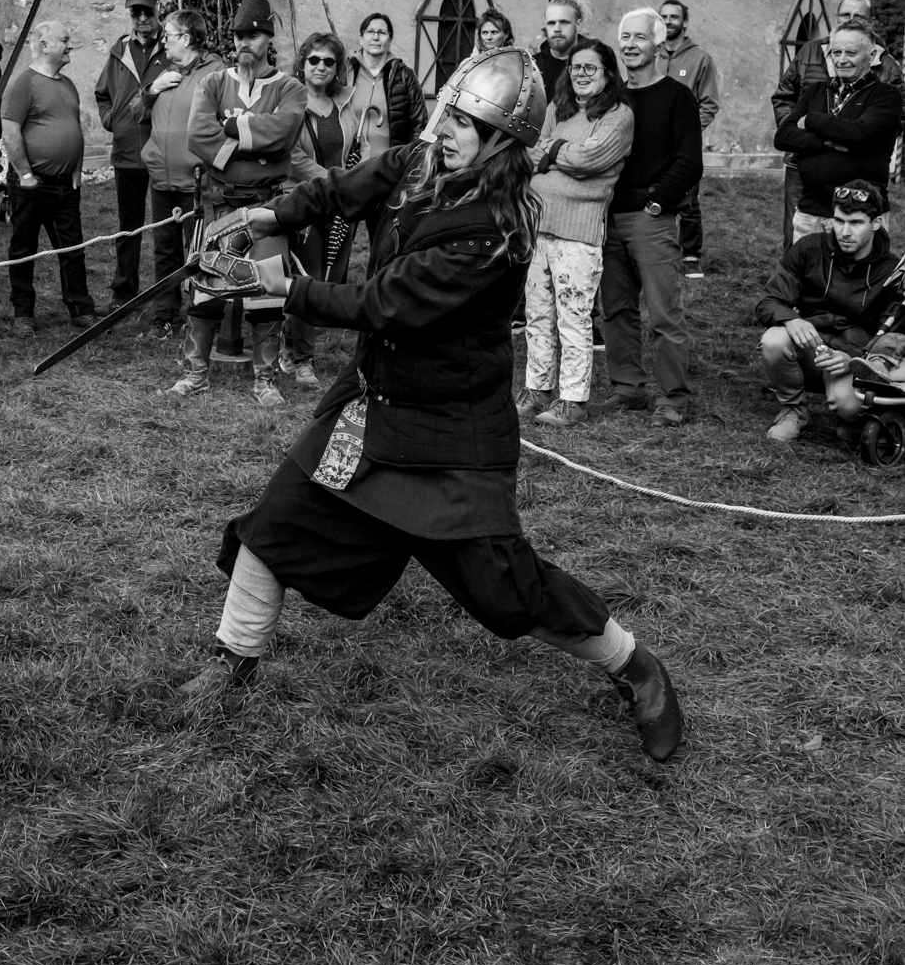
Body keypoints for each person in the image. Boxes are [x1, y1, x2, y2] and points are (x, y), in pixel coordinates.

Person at [181, 48, 684, 763]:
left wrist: (278, 290)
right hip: (371, 404)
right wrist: (268, 211)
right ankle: (234, 660)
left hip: (449, 433)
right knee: (276, 520)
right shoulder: (423, 164)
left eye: (467, 122)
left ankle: (635, 667)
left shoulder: (496, 228)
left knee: (508, 591)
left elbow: (386, 304)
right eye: (448, 111)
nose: (445, 129)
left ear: (502, 142)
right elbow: (345, 189)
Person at [178, 0, 307, 407]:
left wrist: (230, 125)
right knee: (206, 288)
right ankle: (195, 375)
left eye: (253, 35)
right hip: (218, 204)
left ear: (269, 39)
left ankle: (264, 379)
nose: (244, 43)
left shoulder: (291, 88)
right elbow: (198, 135)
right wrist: (255, 147)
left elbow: (283, 133)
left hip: (266, 208)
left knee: (267, 292)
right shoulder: (213, 83)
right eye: (238, 36)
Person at [520, 40, 634, 430]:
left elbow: (591, 161)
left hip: (579, 234)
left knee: (574, 319)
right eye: (575, 68)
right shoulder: (557, 109)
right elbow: (529, 153)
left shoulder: (618, 117)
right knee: (537, 315)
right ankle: (536, 389)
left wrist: (552, 154)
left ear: (607, 74)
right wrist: (559, 151)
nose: (581, 74)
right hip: (539, 225)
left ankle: (572, 399)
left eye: (590, 67)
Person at [601, 9, 704, 427]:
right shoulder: (613, 99)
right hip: (608, 217)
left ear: (658, 44)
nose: (629, 45)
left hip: (650, 218)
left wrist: (658, 202)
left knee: (663, 312)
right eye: (624, 37)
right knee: (616, 309)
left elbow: (689, 162)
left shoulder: (678, 97)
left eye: (639, 37)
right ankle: (629, 388)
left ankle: (673, 398)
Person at [754, 180, 903, 446]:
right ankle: (793, 411)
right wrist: (791, 319)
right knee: (773, 341)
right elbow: (768, 301)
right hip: (810, 349)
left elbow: (892, 337)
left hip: (855, 358)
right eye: (839, 220)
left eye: (856, 223)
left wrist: (854, 360)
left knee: (848, 405)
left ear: (876, 223)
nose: (845, 231)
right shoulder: (809, 249)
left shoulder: (893, 270)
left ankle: (853, 419)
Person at [772, 0, 902, 251]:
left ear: (871, 55)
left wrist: (811, 120)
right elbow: (783, 136)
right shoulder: (815, 92)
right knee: (806, 284)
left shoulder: (886, 95)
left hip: (860, 214)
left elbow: (860, 133)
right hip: (812, 210)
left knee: (858, 286)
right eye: (836, 52)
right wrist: (826, 140)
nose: (842, 59)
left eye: (851, 53)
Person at [0, 20, 96, 332]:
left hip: (65, 185)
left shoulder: (67, 85)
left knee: (72, 249)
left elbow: (73, 127)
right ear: (44, 46)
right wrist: (25, 175)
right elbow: (10, 132)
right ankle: (23, 314)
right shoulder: (23, 83)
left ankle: (80, 309)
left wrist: (77, 168)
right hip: (32, 183)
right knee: (23, 249)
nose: (70, 46)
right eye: (65, 40)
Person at [282, 31, 363, 393]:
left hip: (339, 204)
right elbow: (292, 156)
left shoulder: (344, 105)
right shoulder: (292, 102)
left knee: (330, 277)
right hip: (307, 200)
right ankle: (301, 360)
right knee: (309, 277)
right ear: (303, 62)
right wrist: (332, 180)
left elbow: (355, 149)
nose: (320, 67)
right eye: (313, 59)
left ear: (337, 68)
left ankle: (289, 344)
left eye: (329, 61)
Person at [139, 6, 220, 339]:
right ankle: (165, 315)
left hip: (197, 182)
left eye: (169, 35)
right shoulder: (162, 67)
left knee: (200, 250)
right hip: (161, 178)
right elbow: (134, 112)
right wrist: (152, 89)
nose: (163, 41)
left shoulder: (214, 73)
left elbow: (222, 123)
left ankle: (201, 316)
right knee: (165, 249)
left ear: (186, 38)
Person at [94, 0, 169, 302]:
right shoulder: (119, 51)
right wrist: (112, 119)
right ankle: (124, 292)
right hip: (126, 152)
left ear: (157, 9)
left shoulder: (172, 47)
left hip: (164, 150)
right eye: (135, 12)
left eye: (146, 11)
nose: (141, 18)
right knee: (128, 227)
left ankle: (169, 294)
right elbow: (102, 94)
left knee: (167, 229)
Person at [655, 0, 720, 276]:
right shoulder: (651, 55)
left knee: (688, 200)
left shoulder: (700, 59)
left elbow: (709, 103)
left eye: (674, 17)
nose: (668, 21)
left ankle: (691, 254)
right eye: (664, 17)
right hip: (652, 144)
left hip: (683, 145)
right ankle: (658, 247)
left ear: (685, 22)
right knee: (655, 193)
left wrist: (689, 133)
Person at [343, 13, 427, 169]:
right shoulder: (346, 72)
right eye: (370, 32)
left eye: (382, 33)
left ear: (389, 40)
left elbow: (419, 123)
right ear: (361, 39)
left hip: (388, 167)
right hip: (349, 167)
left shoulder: (404, 76)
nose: (376, 37)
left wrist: (407, 163)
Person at [532, 0, 585, 107]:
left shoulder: (598, 60)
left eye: (564, 22)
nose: (557, 29)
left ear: (578, 24)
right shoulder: (532, 65)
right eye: (551, 23)